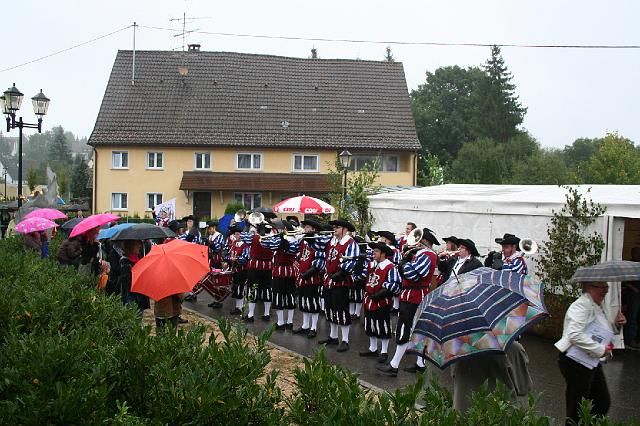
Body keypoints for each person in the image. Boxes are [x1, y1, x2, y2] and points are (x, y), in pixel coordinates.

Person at [555, 281, 627, 424]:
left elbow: (600, 330)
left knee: (601, 402)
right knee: (577, 407)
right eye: (602, 287)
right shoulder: (581, 305)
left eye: (607, 287)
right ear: (589, 287)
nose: (606, 291)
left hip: (589, 360)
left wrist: (617, 324)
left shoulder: (596, 305)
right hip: (574, 360)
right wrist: (600, 350)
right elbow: (574, 334)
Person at [377, 228, 439, 376]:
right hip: (410, 293)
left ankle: (394, 365)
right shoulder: (420, 254)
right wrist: (406, 261)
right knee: (414, 328)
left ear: (424, 241)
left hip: (415, 295)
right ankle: (419, 363)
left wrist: (404, 264)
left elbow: (413, 275)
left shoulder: (429, 255)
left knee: (405, 328)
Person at [311, 219, 360, 352]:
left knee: (341, 309)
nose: (334, 229)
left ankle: (345, 340)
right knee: (330, 308)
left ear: (345, 229)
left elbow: (352, 261)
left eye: (337, 227)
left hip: (341, 281)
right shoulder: (331, 241)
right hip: (329, 279)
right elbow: (321, 250)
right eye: (334, 227)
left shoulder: (350, 243)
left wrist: (339, 273)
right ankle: (333, 336)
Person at [451, 341, 532, 411]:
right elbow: (523, 388)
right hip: (500, 414)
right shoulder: (512, 347)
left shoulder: (456, 349)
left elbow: (455, 378)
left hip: (463, 413)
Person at [359, 242, 401, 364]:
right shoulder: (371, 264)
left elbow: (394, 285)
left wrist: (379, 294)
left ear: (383, 254)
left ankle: (384, 351)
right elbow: (364, 277)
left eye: (376, 251)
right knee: (370, 324)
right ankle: (373, 348)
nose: (373, 253)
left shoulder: (390, 267)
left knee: (382, 326)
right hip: (369, 299)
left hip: (381, 301)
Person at [261, 220, 299, 330]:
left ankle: (283, 322)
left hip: (282, 271)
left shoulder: (291, 240)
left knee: (282, 295)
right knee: (287, 295)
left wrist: (280, 239)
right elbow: (266, 245)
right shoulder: (290, 239)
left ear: (286, 230)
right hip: (287, 271)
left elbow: (288, 249)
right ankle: (286, 322)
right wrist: (264, 235)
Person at [293, 220, 326, 338]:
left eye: (307, 227)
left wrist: (309, 272)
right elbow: (297, 252)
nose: (305, 229)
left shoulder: (318, 242)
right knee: (304, 302)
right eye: (305, 227)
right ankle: (305, 325)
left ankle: (313, 327)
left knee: (313, 303)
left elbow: (320, 261)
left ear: (313, 229)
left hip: (312, 277)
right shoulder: (303, 241)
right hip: (302, 275)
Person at [240, 220, 276, 322]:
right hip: (268, 266)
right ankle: (267, 314)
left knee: (252, 289)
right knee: (267, 289)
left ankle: (251, 314)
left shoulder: (254, 238)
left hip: (255, 266)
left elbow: (243, 237)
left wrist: (247, 227)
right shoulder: (273, 239)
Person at [117, 239, 150, 315]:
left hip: (140, 297)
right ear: (130, 246)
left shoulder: (138, 259)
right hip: (132, 299)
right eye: (137, 244)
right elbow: (127, 285)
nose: (139, 246)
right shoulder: (125, 263)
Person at [227, 225, 249, 315]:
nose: (236, 236)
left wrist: (236, 259)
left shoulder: (245, 245)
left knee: (240, 287)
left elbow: (245, 258)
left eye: (238, 234)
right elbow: (229, 254)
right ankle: (237, 307)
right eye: (235, 234)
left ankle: (240, 307)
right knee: (235, 288)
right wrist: (228, 259)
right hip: (235, 270)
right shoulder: (234, 243)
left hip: (242, 270)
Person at [623, 246, 640, 349]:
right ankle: (630, 340)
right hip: (633, 294)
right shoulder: (629, 265)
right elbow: (625, 280)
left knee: (637, 317)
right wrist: (634, 289)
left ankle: (636, 339)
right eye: (637, 253)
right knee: (632, 317)